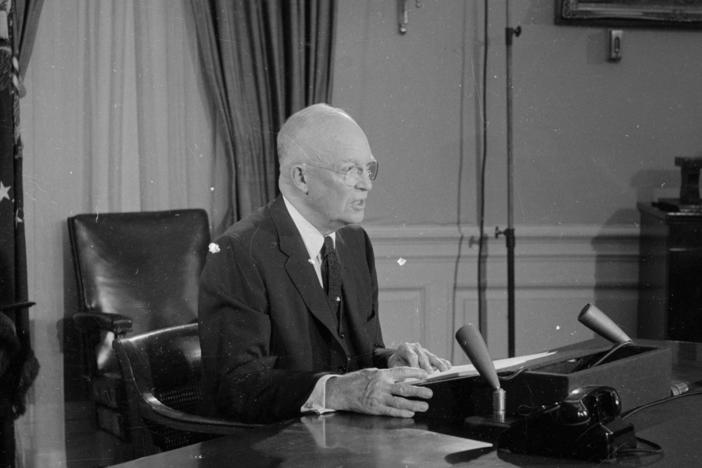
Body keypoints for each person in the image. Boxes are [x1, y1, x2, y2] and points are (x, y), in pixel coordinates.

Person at [199, 103, 451, 423]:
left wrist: (390, 360)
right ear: (302, 178)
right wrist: (334, 391)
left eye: (369, 169)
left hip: (342, 440)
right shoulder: (238, 251)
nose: (367, 184)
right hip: (272, 447)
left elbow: (355, 355)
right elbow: (235, 385)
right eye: (350, 170)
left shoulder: (355, 243)